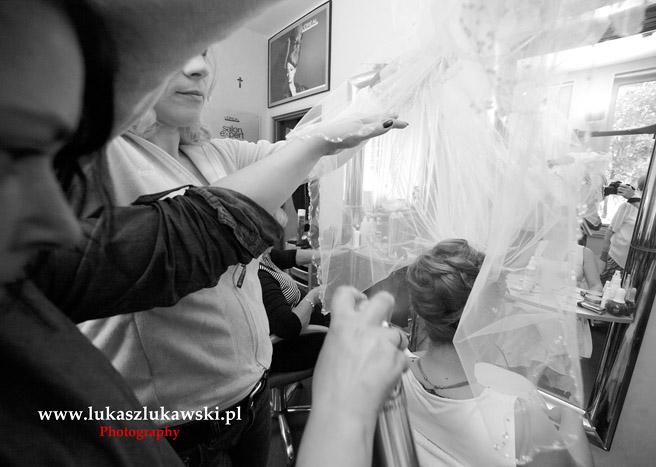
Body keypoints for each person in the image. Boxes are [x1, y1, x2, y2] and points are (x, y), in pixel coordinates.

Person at [2, 0, 409, 465]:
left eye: (204, 54)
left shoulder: (216, 153)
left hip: (250, 389)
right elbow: (202, 225)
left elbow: (308, 157)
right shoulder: (103, 158)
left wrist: (375, 103)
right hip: (177, 420)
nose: (198, 68)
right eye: (178, 55)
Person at [402, 239, 592, 467]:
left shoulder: (392, 373)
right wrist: (572, 415)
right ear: (488, 313)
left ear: (423, 309)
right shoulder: (517, 414)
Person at [260, 246, 329, 372]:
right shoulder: (258, 275)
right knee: (344, 336)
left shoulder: (262, 257)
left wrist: (326, 254)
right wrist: (314, 296)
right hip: (285, 346)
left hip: (307, 326)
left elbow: (289, 256)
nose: (271, 247)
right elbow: (289, 326)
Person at [600, 175, 646, 283]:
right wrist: (603, 256)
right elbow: (610, 230)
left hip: (637, 265)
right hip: (616, 259)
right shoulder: (627, 206)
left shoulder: (652, 211)